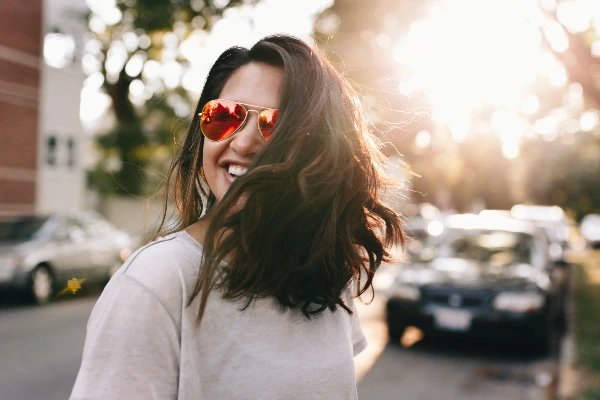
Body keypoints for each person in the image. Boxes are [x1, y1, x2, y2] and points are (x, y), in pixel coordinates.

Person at [70, 34, 404, 400]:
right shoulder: (156, 282)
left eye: (275, 126)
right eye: (225, 116)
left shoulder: (323, 272)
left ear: (321, 152)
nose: (243, 144)